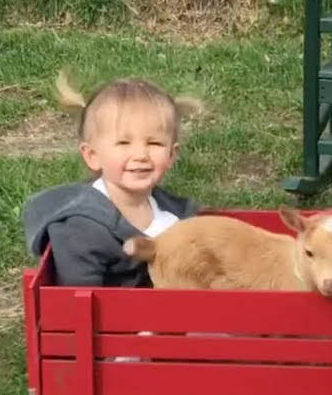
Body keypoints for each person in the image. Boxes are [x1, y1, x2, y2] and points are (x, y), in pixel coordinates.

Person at [22, 71, 204, 287]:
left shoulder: (172, 214)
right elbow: (77, 301)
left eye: (154, 143)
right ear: (93, 156)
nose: (141, 155)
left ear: (172, 155)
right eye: (123, 143)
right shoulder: (81, 229)